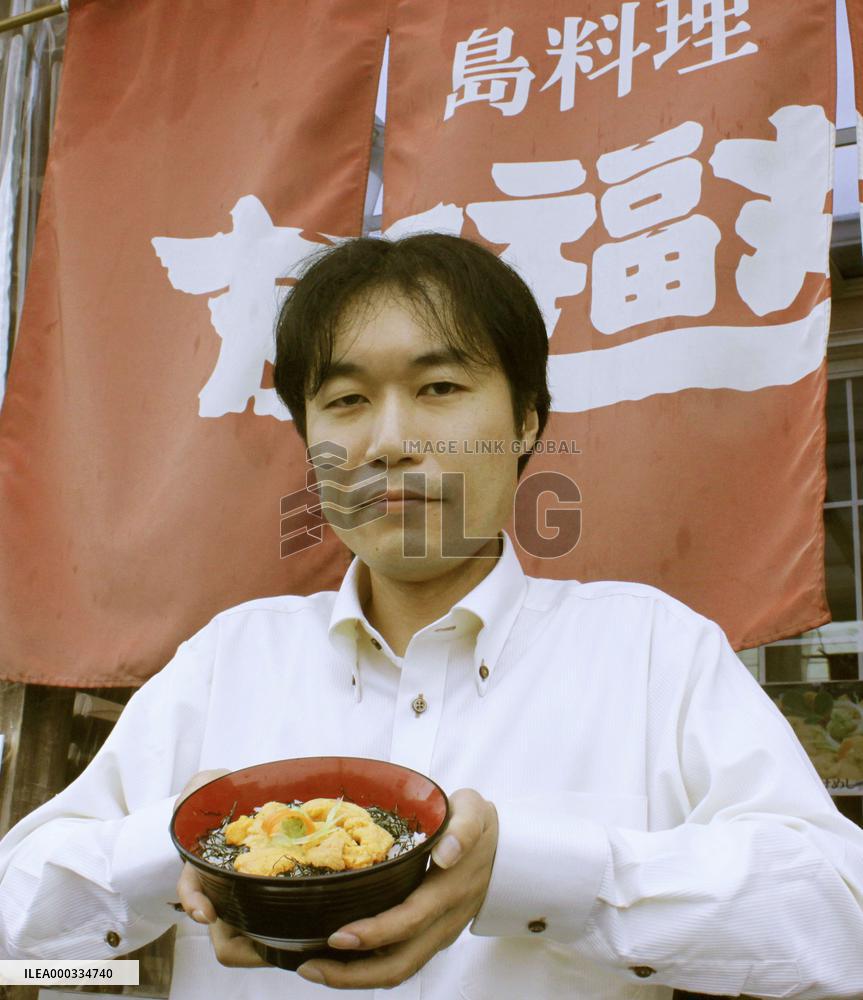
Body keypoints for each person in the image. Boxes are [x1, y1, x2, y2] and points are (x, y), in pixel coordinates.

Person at [1, 233, 863, 1000]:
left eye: (440, 386)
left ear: (524, 423)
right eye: (345, 401)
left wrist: (537, 873)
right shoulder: (226, 659)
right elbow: (17, 931)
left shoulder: (652, 652)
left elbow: (840, 919)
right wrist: (193, 846)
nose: (388, 442)